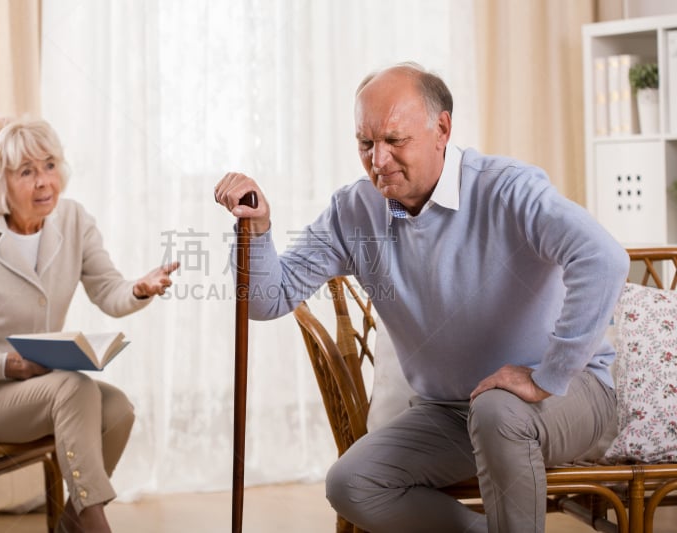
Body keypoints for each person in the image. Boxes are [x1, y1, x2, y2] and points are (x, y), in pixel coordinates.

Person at [214, 61, 629, 532]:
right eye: (365, 144)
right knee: (352, 483)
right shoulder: (354, 211)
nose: (378, 160)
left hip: (568, 397)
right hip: (451, 412)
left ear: (442, 129)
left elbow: (603, 258)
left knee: (499, 412)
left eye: (395, 141)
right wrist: (257, 230)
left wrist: (548, 375)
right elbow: (267, 299)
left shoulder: (506, 188)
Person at [0, 116, 179, 533]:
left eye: (50, 165)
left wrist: (140, 289)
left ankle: (72, 521)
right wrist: (3, 365)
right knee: (74, 387)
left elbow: (108, 291)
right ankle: (94, 523)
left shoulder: (73, 220)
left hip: (37, 388)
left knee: (118, 409)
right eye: (27, 171)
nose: (44, 182)